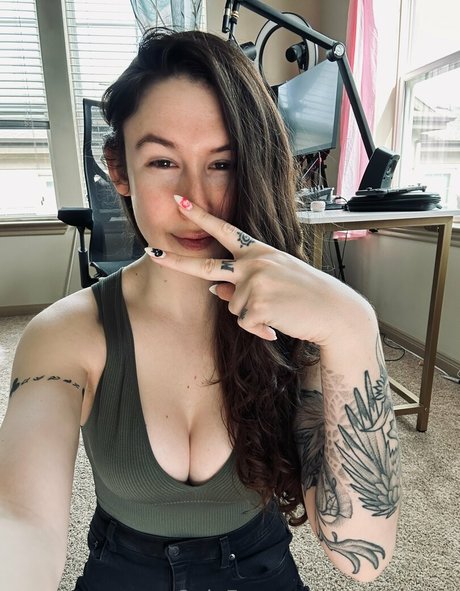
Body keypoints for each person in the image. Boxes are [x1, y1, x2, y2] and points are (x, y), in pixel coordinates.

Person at [0, 28, 401, 591]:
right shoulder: (65, 335)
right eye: (163, 162)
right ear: (120, 170)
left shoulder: (300, 324)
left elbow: (361, 556)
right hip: (123, 569)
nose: (196, 202)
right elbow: (20, 521)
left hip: (259, 566)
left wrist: (352, 327)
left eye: (223, 164)